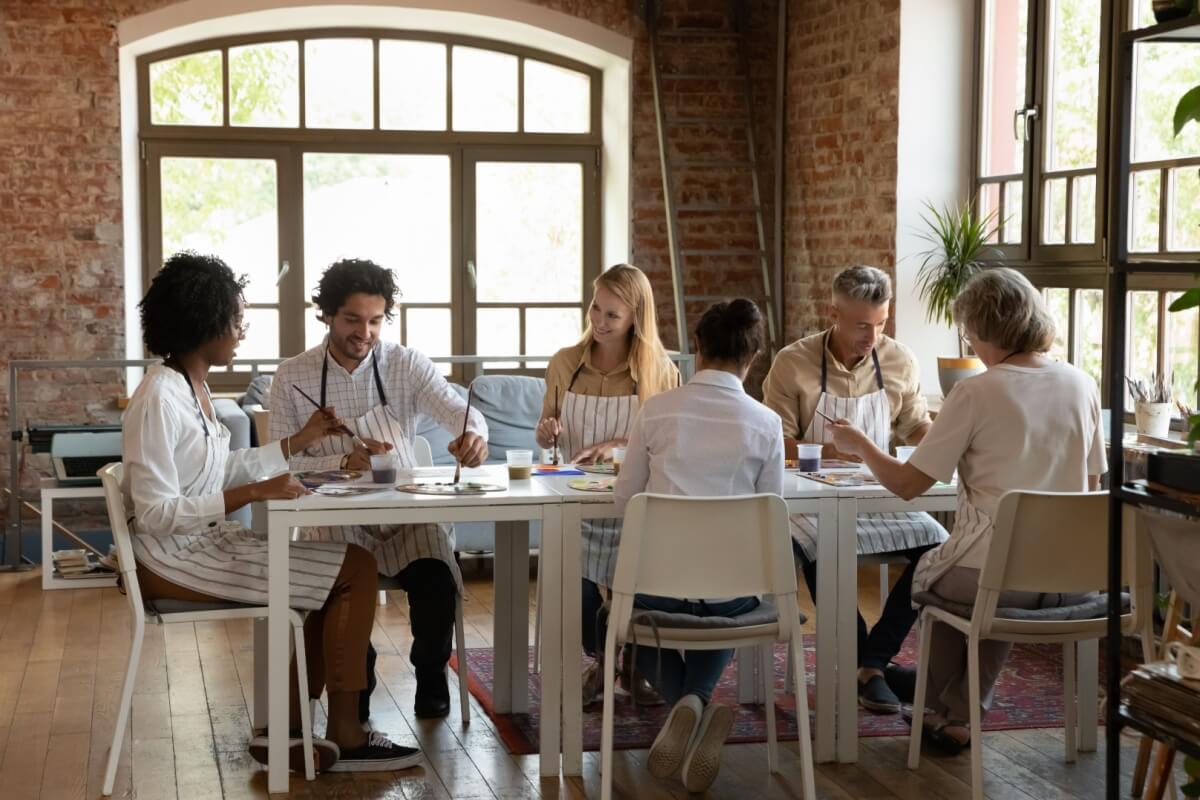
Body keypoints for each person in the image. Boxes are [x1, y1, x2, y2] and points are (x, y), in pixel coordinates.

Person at [123, 251, 419, 773]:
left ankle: (283, 729)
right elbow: (153, 513)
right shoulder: (158, 398)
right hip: (172, 559)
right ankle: (345, 734)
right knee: (354, 567)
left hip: (198, 546)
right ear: (203, 321)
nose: (241, 331)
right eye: (236, 320)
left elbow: (218, 467)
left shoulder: (190, 386)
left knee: (336, 568)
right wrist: (254, 495)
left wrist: (297, 443)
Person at [830, 267, 1105, 751]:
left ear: (985, 330)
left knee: (937, 575)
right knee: (991, 574)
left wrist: (860, 446)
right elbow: (1091, 485)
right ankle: (949, 708)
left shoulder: (977, 390)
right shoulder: (1082, 383)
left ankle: (943, 706)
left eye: (970, 334)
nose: (971, 345)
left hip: (998, 577)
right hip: (1072, 577)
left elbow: (908, 484)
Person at [268, 258, 488, 722]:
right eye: (352, 319)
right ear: (326, 314)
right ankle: (356, 686)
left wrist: (474, 436)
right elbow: (283, 461)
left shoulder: (406, 365)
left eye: (375, 320)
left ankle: (430, 674)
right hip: (335, 520)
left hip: (405, 516)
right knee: (339, 591)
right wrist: (342, 462)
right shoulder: (293, 376)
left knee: (437, 579)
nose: (364, 332)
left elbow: (459, 410)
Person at [609, 298, 781, 793]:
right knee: (728, 591)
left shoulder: (657, 411)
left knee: (621, 617)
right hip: (729, 596)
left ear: (697, 349)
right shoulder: (765, 423)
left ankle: (689, 704)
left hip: (657, 591)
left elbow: (626, 500)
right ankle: (699, 703)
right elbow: (771, 511)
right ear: (752, 358)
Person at [762, 264, 947, 714]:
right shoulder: (794, 361)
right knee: (825, 545)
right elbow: (775, 440)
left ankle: (871, 661)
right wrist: (829, 449)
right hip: (809, 496)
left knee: (939, 550)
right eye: (863, 324)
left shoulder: (899, 359)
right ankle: (873, 668)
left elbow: (915, 426)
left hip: (880, 489)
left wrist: (947, 440)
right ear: (834, 313)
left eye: (881, 323)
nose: (873, 335)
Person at [533, 264, 680, 704]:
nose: (598, 320)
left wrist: (618, 443)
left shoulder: (660, 370)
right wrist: (546, 432)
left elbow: (669, 440)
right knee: (574, 586)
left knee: (644, 581)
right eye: (595, 308)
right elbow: (547, 428)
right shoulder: (565, 363)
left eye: (612, 315)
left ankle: (630, 660)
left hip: (636, 503)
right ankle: (605, 656)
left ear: (636, 317)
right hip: (573, 501)